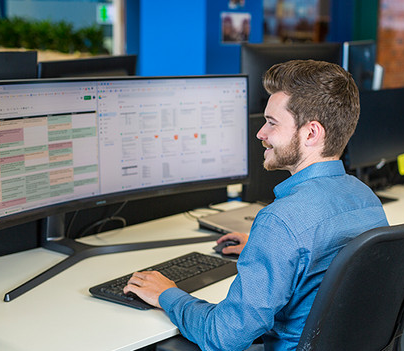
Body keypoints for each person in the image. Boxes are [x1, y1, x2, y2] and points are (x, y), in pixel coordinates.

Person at [124, 60, 389, 350]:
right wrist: (267, 246)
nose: (260, 134)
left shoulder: (281, 222)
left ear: (311, 133)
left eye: (272, 123)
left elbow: (225, 336)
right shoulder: (367, 200)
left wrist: (168, 294)